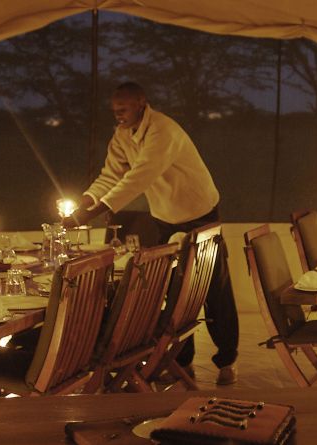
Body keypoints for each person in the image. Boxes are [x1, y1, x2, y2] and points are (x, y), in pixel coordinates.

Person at [65, 81, 239, 385]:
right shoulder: (122, 135)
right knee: (173, 290)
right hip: (165, 219)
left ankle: (227, 360)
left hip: (201, 214)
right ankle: (180, 359)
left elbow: (138, 177)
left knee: (213, 290)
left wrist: (90, 214)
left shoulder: (163, 131)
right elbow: (111, 174)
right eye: (114, 110)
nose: (118, 115)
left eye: (123, 109)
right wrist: (87, 199)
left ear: (142, 103)